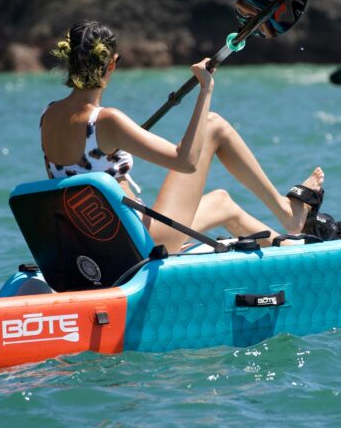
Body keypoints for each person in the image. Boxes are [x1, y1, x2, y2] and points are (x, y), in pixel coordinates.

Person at [40, 20, 326, 254]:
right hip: (139, 245)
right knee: (212, 125)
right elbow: (186, 161)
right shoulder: (107, 120)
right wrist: (205, 90)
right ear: (111, 64)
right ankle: (287, 212)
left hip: (94, 248)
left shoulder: (48, 116)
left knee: (222, 203)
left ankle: (288, 248)